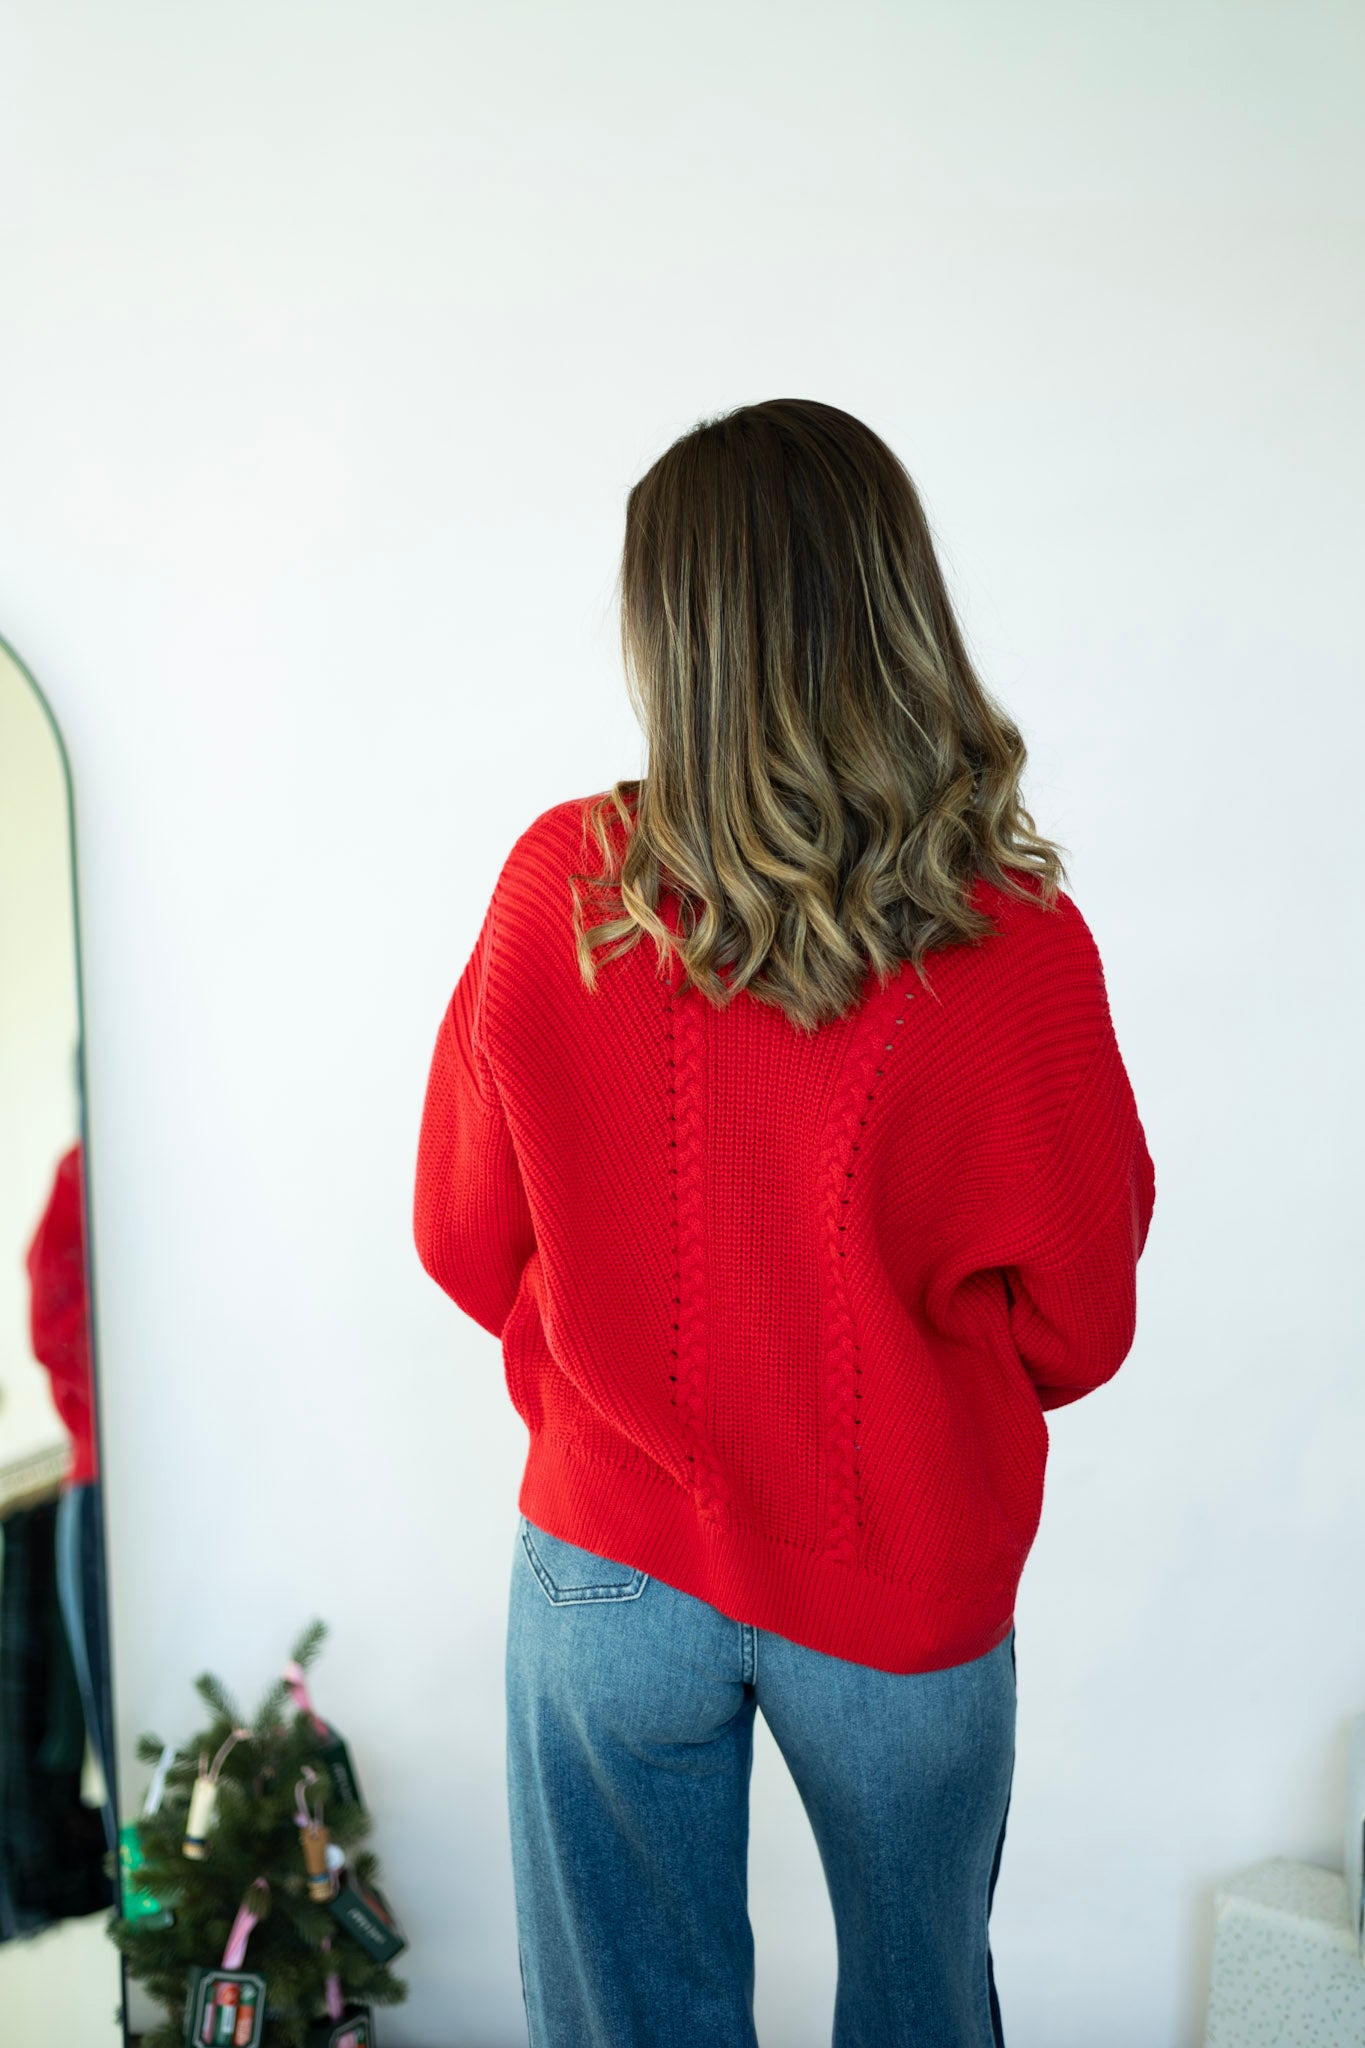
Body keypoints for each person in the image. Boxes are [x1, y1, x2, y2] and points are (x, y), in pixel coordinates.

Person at [413, 398, 1157, 2048]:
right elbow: (1081, 1320)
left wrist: (624, 1364)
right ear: (895, 608)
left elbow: (461, 1234)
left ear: (670, 636)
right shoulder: (1017, 942)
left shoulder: (561, 888)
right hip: (902, 1575)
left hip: (609, 1569)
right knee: (921, 2014)